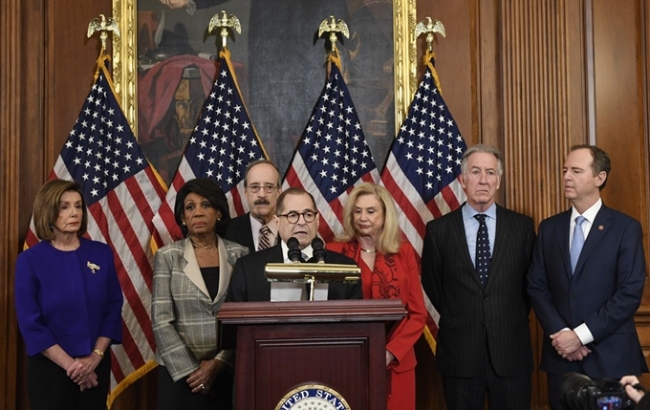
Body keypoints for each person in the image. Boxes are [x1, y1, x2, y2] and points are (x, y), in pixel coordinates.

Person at [528, 145, 647, 409]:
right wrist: (563, 335)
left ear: (599, 178)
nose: (566, 177)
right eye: (564, 170)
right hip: (562, 360)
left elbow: (629, 294)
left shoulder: (625, 228)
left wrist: (580, 336)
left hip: (611, 360)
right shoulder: (549, 228)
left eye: (576, 171)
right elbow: (536, 286)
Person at [421, 144, 536, 410]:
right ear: (463, 180)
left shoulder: (522, 227)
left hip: (511, 352)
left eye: (490, 172)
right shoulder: (438, 230)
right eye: (475, 172)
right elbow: (433, 285)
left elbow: (530, 286)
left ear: (499, 180)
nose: (483, 180)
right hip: (460, 355)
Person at [15, 179, 123, 409]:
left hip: (95, 367)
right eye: (64, 207)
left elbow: (113, 309)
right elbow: (30, 323)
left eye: (78, 206)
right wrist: (73, 367)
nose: (74, 213)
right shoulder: (30, 260)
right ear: (48, 212)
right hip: (50, 371)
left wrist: (94, 357)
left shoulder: (101, 253)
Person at [327, 182, 426, 410]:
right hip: (350, 361)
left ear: (385, 215)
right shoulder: (334, 252)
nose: (363, 218)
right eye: (358, 211)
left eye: (371, 211)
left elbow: (417, 314)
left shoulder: (404, 253)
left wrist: (390, 353)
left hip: (398, 362)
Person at [152, 178, 249, 410]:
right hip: (180, 374)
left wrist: (218, 363)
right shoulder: (168, 256)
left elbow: (244, 317)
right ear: (183, 218)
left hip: (227, 370)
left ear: (218, 212)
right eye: (190, 207)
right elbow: (161, 320)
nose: (197, 212)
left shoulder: (240, 254)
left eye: (205, 205)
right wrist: (193, 371)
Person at [227, 187, 362, 302]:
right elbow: (234, 320)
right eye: (292, 215)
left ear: (317, 220)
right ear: (277, 222)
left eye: (308, 214)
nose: (302, 222)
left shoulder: (346, 269)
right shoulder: (247, 269)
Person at [224, 159, 282, 252]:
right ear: (245, 192)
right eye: (254, 187)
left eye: (269, 187)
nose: (262, 194)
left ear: (279, 192)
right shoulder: (227, 231)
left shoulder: (292, 229)